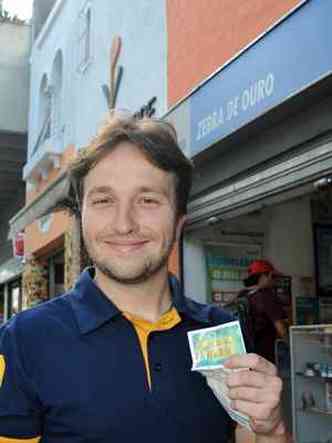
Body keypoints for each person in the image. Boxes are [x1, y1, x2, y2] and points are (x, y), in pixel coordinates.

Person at [0, 113, 289, 442]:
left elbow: (249, 434)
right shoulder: (22, 341)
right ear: (83, 218)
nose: (124, 224)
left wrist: (273, 430)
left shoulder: (222, 333)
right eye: (104, 200)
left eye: (148, 200)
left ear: (179, 223)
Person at [241, 259, 289, 364]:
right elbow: (280, 328)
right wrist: (291, 345)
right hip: (266, 354)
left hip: (247, 352)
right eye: (273, 276)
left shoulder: (243, 295)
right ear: (263, 277)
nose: (275, 280)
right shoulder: (267, 296)